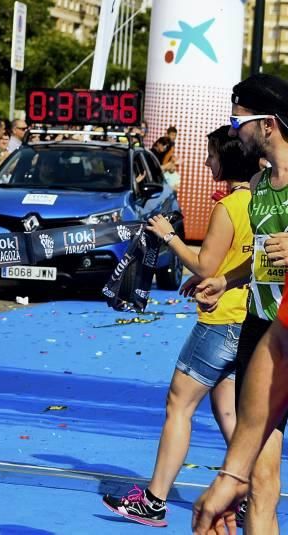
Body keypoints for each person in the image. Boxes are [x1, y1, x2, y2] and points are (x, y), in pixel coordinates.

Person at [101, 126, 259, 528]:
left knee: (179, 405)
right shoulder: (260, 202)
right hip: (247, 320)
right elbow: (241, 262)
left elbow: (206, 264)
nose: (206, 162)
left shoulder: (228, 208)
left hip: (220, 322)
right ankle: (250, 494)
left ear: (228, 159)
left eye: (211, 155)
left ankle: (153, 500)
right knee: (231, 416)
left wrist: (168, 236)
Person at [190, 74, 288, 535]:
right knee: (260, 476)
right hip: (261, 331)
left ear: (269, 125)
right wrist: (226, 280)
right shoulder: (257, 183)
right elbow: (266, 254)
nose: (233, 132)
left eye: (238, 120)